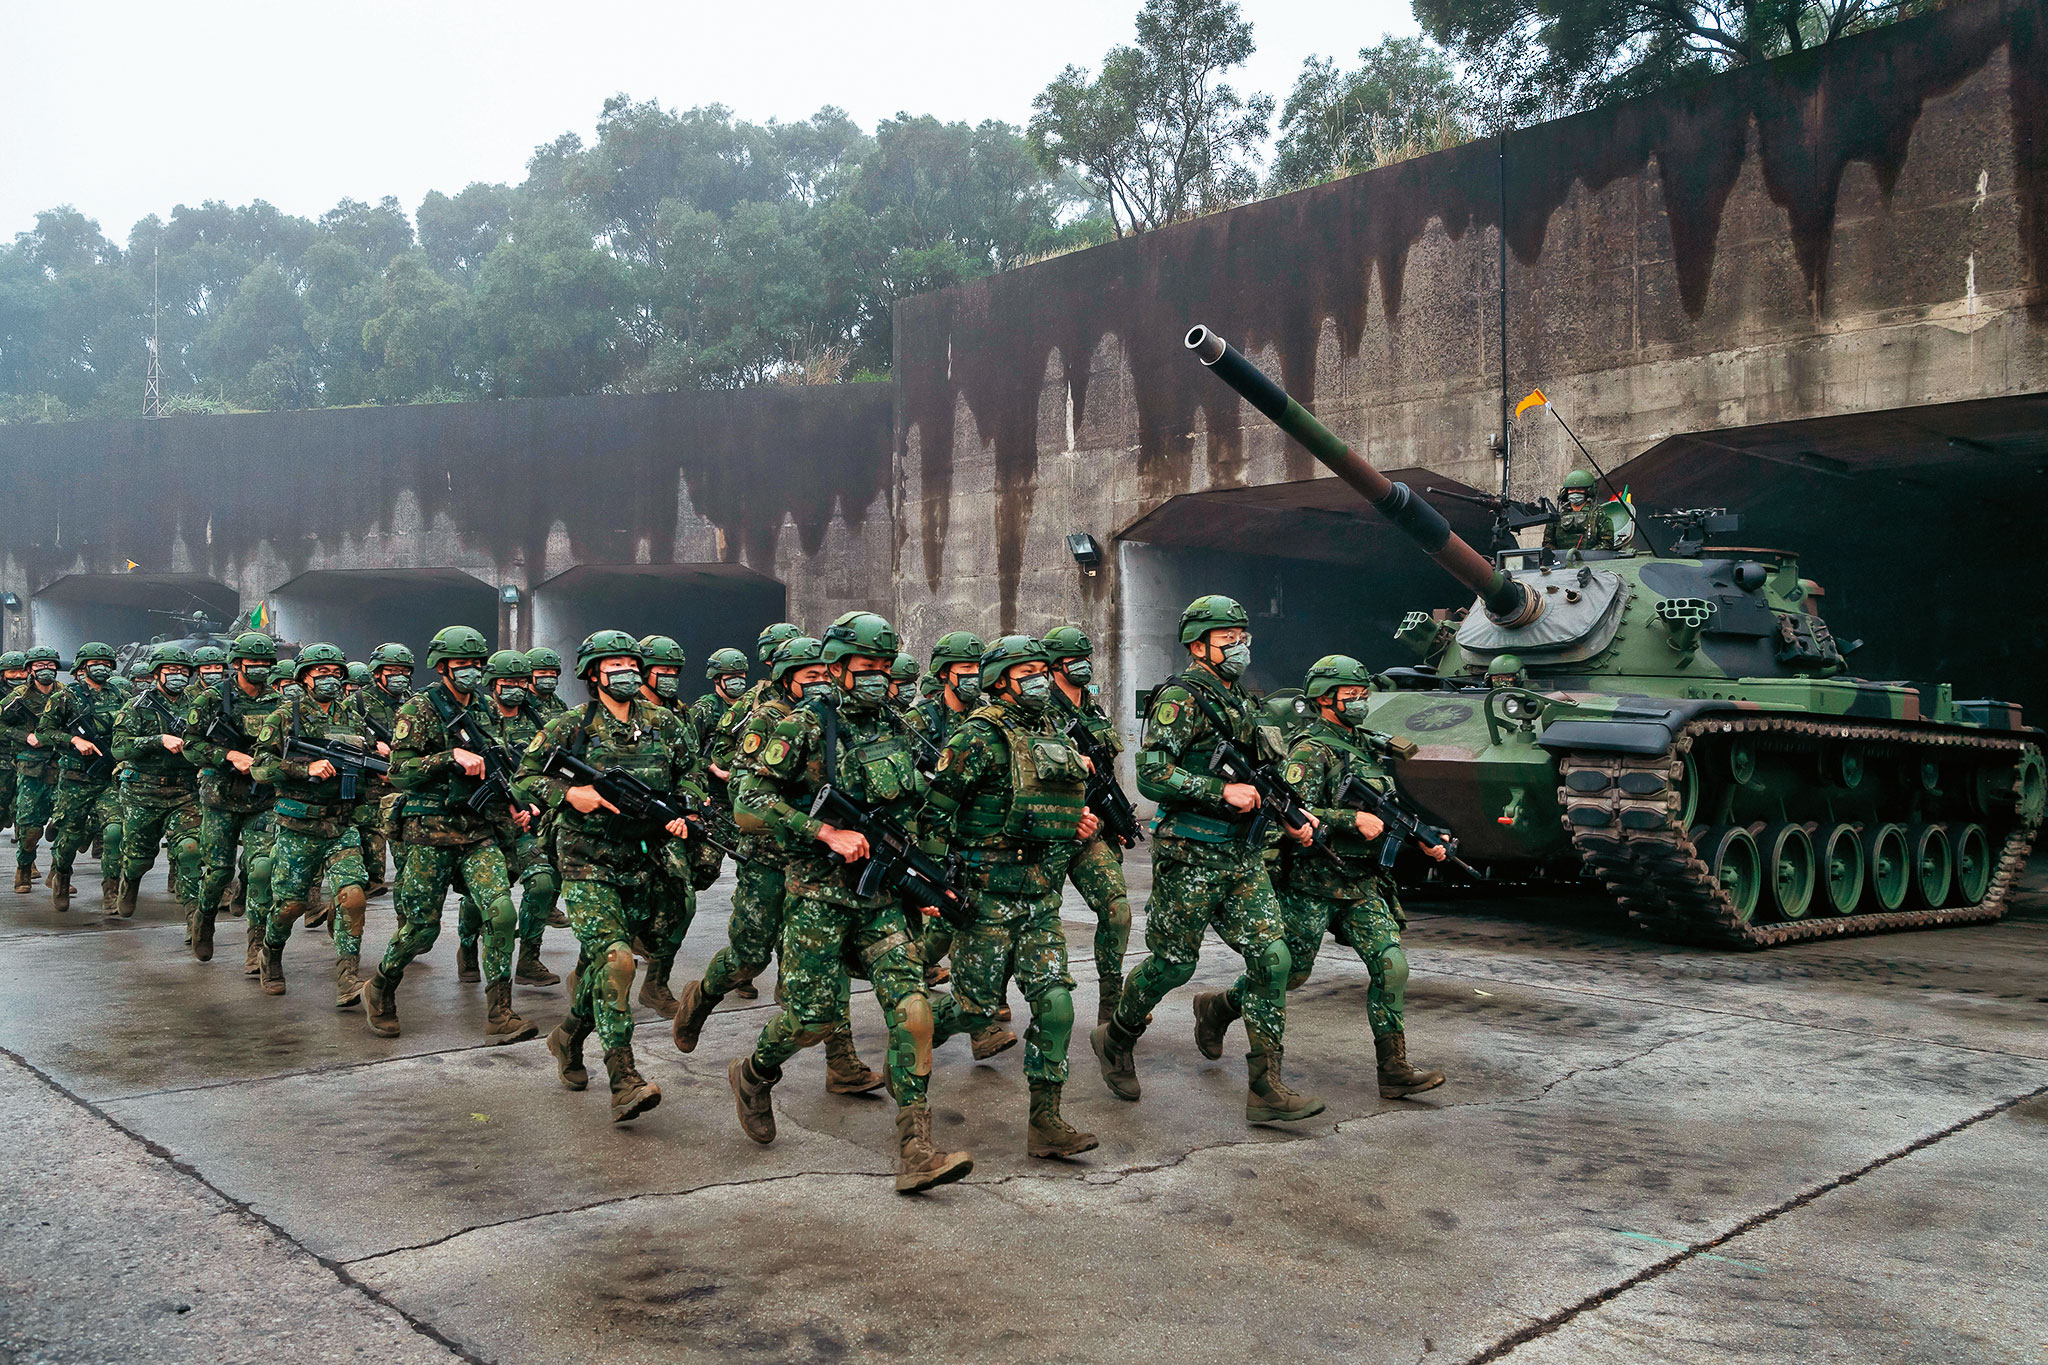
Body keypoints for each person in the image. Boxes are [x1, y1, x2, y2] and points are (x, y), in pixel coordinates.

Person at [725, 610, 973, 1194]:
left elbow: (920, 807)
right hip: (817, 898)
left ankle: (916, 1148)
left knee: (914, 1013)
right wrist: (823, 833)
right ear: (835, 669)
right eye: (866, 668)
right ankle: (754, 1074)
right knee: (811, 1019)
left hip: (884, 896)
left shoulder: (898, 725)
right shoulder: (802, 727)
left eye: (885, 669)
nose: (877, 679)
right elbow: (747, 801)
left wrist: (933, 881)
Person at [1092, 595, 1325, 1125]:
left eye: (1244, 638)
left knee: (1274, 960)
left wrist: (1294, 815)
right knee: (1175, 963)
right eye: (1229, 640)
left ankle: (1266, 1086)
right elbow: (1153, 775)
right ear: (1198, 646)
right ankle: (1117, 1037)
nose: (1240, 648)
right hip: (1193, 853)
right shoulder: (1180, 698)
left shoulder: (1243, 700)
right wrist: (1220, 792)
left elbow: (1264, 780)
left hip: (1243, 857)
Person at [1193, 655, 1447, 1099]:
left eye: (1363, 695)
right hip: (1311, 886)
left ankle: (1393, 1068)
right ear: (1325, 699)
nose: (1360, 703)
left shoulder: (1365, 744)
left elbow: (1383, 814)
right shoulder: (1310, 750)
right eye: (1351, 696)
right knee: (1288, 975)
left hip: (1361, 884)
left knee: (1392, 967)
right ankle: (1218, 1009)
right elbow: (1285, 815)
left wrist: (1420, 838)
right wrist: (1350, 820)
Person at [669, 635, 884, 1099]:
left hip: (820, 864)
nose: (823, 684)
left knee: (823, 962)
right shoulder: (765, 718)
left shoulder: (841, 717)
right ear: (787, 677)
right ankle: (702, 996)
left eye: (827, 675)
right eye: (812, 678)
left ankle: (841, 1062)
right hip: (770, 856)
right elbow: (745, 797)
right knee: (749, 958)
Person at [925, 635, 1100, 1159]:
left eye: (1043, 671)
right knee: (976, 1010)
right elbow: (935, 813)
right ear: (1000, 679)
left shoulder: (1054, 732)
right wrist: (936, 883)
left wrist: (1077, 821)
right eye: (1028, 671)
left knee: (1057, 1003)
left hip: (1041, 895)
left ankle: (1046, 1121)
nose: (1041, 680)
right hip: (986, 896)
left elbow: (1058, 805)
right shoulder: (977, 736)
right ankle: (916, 1032)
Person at [515, 630, 695, 1124]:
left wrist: (684, 813)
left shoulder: (665, 724)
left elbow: (692, 776)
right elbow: (524, 776)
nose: (627, 673)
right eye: (614, 665)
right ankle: (624, 1078)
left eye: (632, 665)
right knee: (617, 962)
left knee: (603, 967)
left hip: (646, 858)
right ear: (593, 674)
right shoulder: (569, 726)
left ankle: (568, 1037)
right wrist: (568, 794)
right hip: (587, 861)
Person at [360, 625, 538, 1045]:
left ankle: (500, 1011)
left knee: (501, 912)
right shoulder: (420, 709)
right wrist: (448, 757)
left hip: (478, 832)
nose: (472, 672)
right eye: (463, 665)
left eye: (478, 665)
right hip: (429, 834)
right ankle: (381, 988)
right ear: (442, 667)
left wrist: (518, 804)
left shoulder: (485, 710)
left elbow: (498, 768)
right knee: (422, 930)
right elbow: (399, 772)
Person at [248, 643, 375, 1005]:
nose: (330, 680)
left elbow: (364, 757)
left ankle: (348, 978)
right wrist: (305, 769)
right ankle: (270, 952)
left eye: (336, 674)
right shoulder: (285, 716)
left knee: (353, 898)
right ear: (304, 678)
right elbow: (261, 767)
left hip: (341, 824)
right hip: (298, 825)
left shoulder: (353, 715)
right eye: (321, 673)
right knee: (290, 906)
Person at [1040, 624, 1135, 1025]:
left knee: (1118, 912)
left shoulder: (1093, 710)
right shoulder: (1039, 710)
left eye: (1086, 659)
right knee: (1035, 919)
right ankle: (995, 1002)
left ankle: (1111, 1004)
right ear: (1055, 665)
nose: (1083, 667)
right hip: (1050, 834)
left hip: (1092, 829)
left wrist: (1114, 819)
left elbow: (1106, 771)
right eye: (1074, 660)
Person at [451, 651, 562, 988]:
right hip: (485, 823)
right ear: (492, 684)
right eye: (507, 683)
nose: (514, 689)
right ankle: (468, 947)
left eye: (519, 682)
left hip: (528, 822)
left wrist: (539, 804)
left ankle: (529, 957)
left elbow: (550, 769)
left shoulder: (540, 721)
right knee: (478, 897)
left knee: (543, 884)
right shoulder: (475, 717)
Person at [184, 633, 282, 966]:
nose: (259, 669)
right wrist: (228, 756)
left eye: (264, 664)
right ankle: (204, 918)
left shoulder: (279, 703)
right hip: (221, 797)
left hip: (263, 800)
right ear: (237, 664)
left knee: (262, 871)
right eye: (252, 664)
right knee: (219, 873)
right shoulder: (211, 699)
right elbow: (190, 746)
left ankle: (258, 947)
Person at [905, 630, 986, 988]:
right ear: (943, 674)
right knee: (939, 919)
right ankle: (910, 970)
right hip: (935, 832)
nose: (973, 676)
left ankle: (983, 996)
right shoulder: (920, 721)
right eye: (965, 668)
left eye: (977, 668)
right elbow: (899, 781)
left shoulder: (988, 717)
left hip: (977, 830)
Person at [108, 644, 205, 926]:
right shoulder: (137, 705)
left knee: (190, 851)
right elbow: (119, 748)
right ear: (157, 674)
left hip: (185, 791)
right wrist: (158, 740)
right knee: (140, 858)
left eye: (183, 671)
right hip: (143, 792)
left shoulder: (197, 704)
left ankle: (194, 921)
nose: (178, 676)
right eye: (171, 671)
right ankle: (130, 881)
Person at [631, 635, 701, 1018]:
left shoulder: (680, 713)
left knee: (682, 900)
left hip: (668, 823)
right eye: (664, 671)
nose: (671, 678)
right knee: (627, 907)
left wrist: (690, 801)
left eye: (676, 672)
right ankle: (589, 975)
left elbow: (691, 764)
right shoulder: (625, 711)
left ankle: (656, 983)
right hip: (623, 828)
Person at [39, 642, 127, 913]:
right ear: (82, 667)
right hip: (76, 778)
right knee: (70, 836)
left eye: (105, 662)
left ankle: (112, 891)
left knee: (114, 832)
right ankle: (61, 877)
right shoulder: (66, 697)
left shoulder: (121, 696)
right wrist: (73, 739)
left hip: (108, 779)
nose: (100, 667)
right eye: (94, 663)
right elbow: (44, 731)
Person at [348, 642, 413, 897]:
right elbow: (343, 738)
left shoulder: (414, 702)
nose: (400, 676)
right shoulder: (358, 701)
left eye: (404, 671)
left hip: (402, 788)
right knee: (370, 852)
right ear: (377, 672)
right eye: (393, 670)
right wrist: (373, 748)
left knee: (405, 851)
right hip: (369, 790)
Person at [1, 648, 58, 892]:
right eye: (39, 664)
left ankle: (60, 875)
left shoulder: (66, 695)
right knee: (30, 824)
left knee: (68, 822)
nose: (45, 669)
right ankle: (24, 867)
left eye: (50, 664)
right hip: (29, 765)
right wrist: (26, 736)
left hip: (62, 764)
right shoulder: (18, 697)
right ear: (31, 669)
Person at [1542, 470, 1613, 552]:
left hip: (1592, 561)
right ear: (1565, 492)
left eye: (1580, 489)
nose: (1575, 492)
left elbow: (1607, 543)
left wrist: (1585, 555)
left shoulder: (1598, 514)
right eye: (1571, 489)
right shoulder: (1557, 517)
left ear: (1589, 491)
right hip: (1562, 562)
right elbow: (1547, 544)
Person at [0, 652, 25, 839]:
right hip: (3, 753)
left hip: (27, 753)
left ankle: (23, 835)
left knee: (24, 800)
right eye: (12, 671)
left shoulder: (35, 691)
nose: (18, 676)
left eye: (21, 671)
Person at [526, 646, 569, 717]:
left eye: (552, 673)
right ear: (530, 676)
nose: (548, 677)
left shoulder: (559, 703)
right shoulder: (522, 703)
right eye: (542, 673)